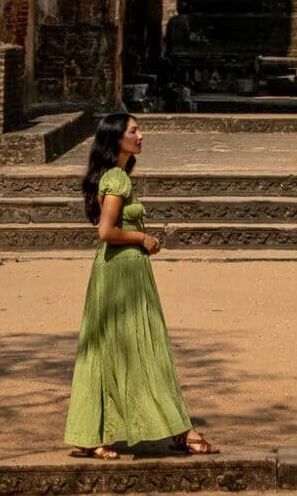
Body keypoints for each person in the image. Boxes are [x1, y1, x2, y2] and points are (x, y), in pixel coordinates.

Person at [64, 111, 217, 459]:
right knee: (146, 349)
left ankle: (93, 434)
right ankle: (182, 431)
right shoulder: (117, 179)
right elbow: (106, 231)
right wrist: (142, 237)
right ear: (117, 138)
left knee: (106, 349)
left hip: (113, 270)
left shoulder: (111, 176)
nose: (141, 135)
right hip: (124, 273)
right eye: (134, 131)